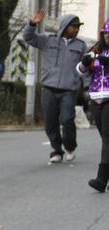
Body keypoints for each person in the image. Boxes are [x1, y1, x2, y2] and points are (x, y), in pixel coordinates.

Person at [24, 10, 86, 163]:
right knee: (50, 122)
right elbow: (28, 37)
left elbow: (85, 68)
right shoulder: (48, 41)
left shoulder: (81, 46)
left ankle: (70, 147)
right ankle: (57, 150)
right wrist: (32, 24)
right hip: (49, 88)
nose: (76, 29)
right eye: (74, 26)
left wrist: (87, 88)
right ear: (65, 26)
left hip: (69, 90)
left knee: (67, 119)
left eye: (78, 27)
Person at [79, 19, 109, 192]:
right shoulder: (96, 51)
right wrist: (84, 63)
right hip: (96, 97)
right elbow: (80, 71)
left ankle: (101, 178)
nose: (108, 36)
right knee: (105, 137)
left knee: (107, 136)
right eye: (105, 33)